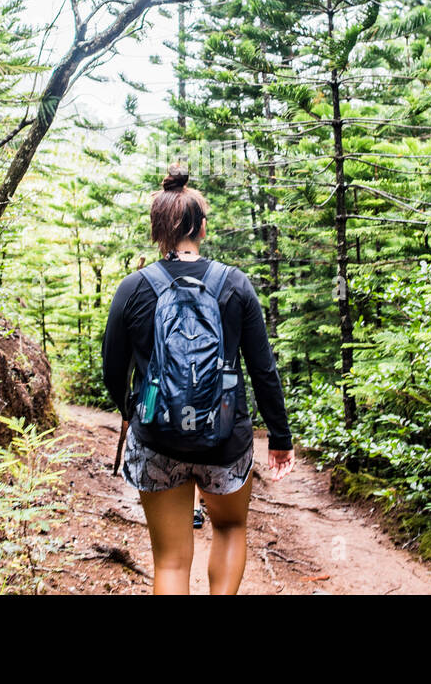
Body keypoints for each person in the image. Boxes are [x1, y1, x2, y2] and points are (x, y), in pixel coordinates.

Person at [102, 163, 295, 594]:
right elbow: (263, 369)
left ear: (158, 230)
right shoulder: (235, 284)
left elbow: (113, 370)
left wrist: (133, 413)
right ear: (202, 228)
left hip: (158, 437)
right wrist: (279, 438)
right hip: (224, 438)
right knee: (229, 529)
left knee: (170, 561)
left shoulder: (133, 288)